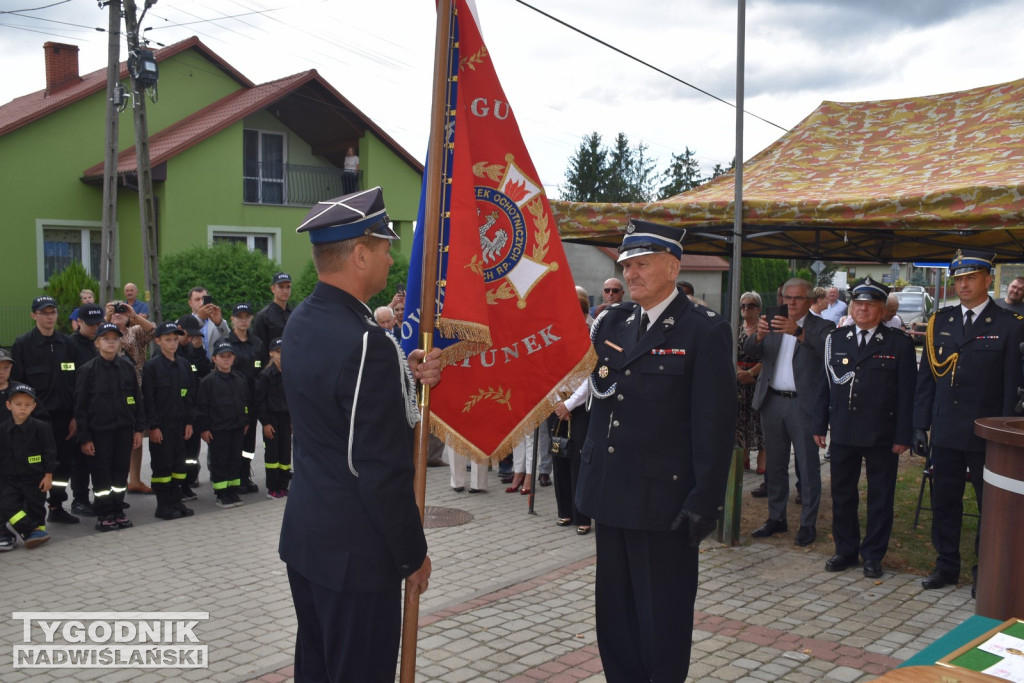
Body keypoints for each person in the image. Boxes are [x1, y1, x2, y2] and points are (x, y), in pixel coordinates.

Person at [279, 187, 440, 682]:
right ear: (359, 253)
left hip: (309, 538)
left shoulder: (304, 318)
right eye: (386, 246)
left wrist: (401, 373)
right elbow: (377, 468)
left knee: (318, 669)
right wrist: (412, 553)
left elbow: (334, 410)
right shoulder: (368, 340)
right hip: (356, 556)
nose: (393, 257)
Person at [575, 220, 735, 682]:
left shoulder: (704, 330)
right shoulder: (613, 321)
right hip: (611, 494)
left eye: (642, 264)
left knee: (661, 618)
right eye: (627, 265)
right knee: (615, 617)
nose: (631, 274)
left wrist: (704, 501)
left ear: (672, 266)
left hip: (664, 504)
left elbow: (714, 426)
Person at [913, 249, 1024, 593]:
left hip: (985, 436)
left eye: (971, 278)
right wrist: (919, 424)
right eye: (959, 279)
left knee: (990, 507)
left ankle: (984, 569)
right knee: (944, 503)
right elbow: (927, 379)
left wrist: (1006, 433)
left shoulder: (1009, 325)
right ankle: (946, 565)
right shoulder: (940, 322)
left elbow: (1012, 386)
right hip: (945, 431)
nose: (963, 285)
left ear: (988, 280)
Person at [813, 277, 917, 579]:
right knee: (843, 494)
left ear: (882, 309)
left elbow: (907, 394)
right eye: (858, 304)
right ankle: (845, 550)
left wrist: (903, 434)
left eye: (870, 305)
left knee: (880, 497)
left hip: (882, 434)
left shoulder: (899, 343)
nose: (863, 309)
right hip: (844, 431)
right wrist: (820, 423)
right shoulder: (838, 338)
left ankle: (873, 555)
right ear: (852, 306)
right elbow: (826, 385)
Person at [745, 278, 834, 546]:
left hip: (803, 405)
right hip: (771, 401)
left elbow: (827, 353)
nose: (791, 303)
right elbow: (749, 351)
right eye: (786, 297)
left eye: (797, 298)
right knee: (775, 465)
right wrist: (758, 336)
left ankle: (807, 524)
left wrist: (798, 332)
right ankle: (776, 517)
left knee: (807, 467)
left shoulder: (823, 326)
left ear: (810, 301)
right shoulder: (772, 321)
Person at [12, 296, 80, 525]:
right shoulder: (23, 344)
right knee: (33, 466)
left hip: (63, 418)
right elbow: (18, 385)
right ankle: (30, 511)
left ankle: (57, 505)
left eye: (52, 312)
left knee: (62, 464)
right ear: (34, 315)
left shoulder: (67, 344)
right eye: (44, 313)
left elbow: (75, 382)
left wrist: (74, 416)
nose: (49, 316)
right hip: (35, 420)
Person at [75, 322, 145, 532]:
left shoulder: (127, 368)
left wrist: (139, 429)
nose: (111, 343)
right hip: (99, 433)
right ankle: (104, 513)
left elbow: (137, 400)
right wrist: (85, 438)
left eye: (115, 339)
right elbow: (80, 407)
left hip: (123, 430)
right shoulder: (87, 371)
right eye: (106, 339)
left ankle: (117, 510)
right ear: (97, 343)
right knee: (101, 475)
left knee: (119, 472)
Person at [142, 321, 198, 520]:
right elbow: (148, 399)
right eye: (168, 340)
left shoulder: (183, 365)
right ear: (158, 341)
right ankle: (164, 505)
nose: (173, 343)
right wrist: (153, 426)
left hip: (180, 424)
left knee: (178, 466)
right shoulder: (152, 367)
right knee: (162, 467)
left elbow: (189, 395)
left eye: (175, 339)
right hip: (162, 426)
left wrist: (190, 422)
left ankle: (176, 500)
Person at [106, 300, 156, 495]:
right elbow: (90, 341)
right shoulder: (102, 332)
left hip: (135, 391)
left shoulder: (134, 331)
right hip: (110, 393)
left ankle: (135, 480)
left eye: (121, 310)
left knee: (136, 437)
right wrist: (106, 318)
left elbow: (153, 332)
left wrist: (134, 315)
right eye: (114, 309)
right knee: (113, 438)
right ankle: (113, 481)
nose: (118, 313)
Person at [0, 383, 56, 550]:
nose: (22, 409)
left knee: (36, 508)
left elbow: (50, 453)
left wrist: (48, 475)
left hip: (36, 478)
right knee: (6, 505)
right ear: (8, 405)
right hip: (11, 479)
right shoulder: (3, 430)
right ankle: (32, 530)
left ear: (34, 407)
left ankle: (37, 534)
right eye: (18, 404)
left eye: (27, 405)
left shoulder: (41, 427)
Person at [196, 340, 250, 509]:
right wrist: (203, 429)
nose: (226, 360)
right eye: (222, 357)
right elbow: (202, 407)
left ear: (234, 358)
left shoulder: (239, 379)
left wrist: (245, 421)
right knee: (220, 461)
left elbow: (245, 402)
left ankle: (232, 490)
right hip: (218, 430)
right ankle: (221, 493)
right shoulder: (208, 382)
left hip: (237, 427)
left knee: (235, 460)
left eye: (229, 356)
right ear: (214, 359)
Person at [68, 302, 105, 517]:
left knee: (102, 459)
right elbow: (68, 383)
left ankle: (104, 498)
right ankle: (79, 499)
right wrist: (74, 415)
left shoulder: (105, 341)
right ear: (79, 322)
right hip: (81, 410)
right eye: (91, 324)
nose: (95, 327)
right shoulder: (70, 345)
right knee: (80, 459)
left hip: (102, 412)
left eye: (98, 323)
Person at [225, 303, 263, 493]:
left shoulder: (257, 343)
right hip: (232, 401)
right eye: (239, 316)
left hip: (252, 399)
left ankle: (245, 474)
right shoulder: (226, 343)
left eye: (246, 316)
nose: (243, 320)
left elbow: (262, 370)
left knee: (248, 442)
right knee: (234, 441)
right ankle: (233, 477)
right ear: (232, 319)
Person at [176, 314, 211, 500]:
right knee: (178, 452)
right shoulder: (170, 350)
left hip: (193, 408)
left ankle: (188, 483)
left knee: (191, 452)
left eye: (193, 337)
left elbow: (204, 372)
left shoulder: (191, 350)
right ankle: (177, 487)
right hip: (176, 412)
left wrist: (198, 350)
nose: (190, 339)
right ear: (179, 327)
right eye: (188, 335)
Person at [256, 337, 291, 498]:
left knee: (285, 453)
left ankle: (284, 485)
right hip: (271, 419)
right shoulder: (266, 375)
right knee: (272, 454)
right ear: (271, 354)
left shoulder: (290, 373)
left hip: (286, 419)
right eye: (277, 352)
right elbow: (260, 401)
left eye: (283, 352)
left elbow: (293, 398)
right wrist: (265, 423)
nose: (281, 355)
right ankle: (273, 487)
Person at [736, 292, 766, 477]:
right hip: (738, 381)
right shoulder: (736, 329)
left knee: (759, 421)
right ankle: (742, 457)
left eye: (751, 305)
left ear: (759, 308)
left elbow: (769, 357)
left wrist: (750, 373)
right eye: (743, 305)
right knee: (740, 421)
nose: (746, 308)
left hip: (758, 380)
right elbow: (728, 353)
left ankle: (762, 462)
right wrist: (738, 373)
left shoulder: (764, 331)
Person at [253, 272, 293, 358]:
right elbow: (259, 349)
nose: (285, 291)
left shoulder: (294, 315)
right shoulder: (263, 316)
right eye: (281, 287)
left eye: (288, 287)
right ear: (272, 289)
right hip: (271, 367)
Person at [188, 287, 229, 358]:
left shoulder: (218, 321)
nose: (201, 302)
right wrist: (199, 318)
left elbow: (229, 338)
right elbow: (185, 336)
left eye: (204, 299)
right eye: (197, 300)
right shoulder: (182, 322)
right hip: (192, 365)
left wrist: (219, 323)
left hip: (215, 366)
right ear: (190, 303)